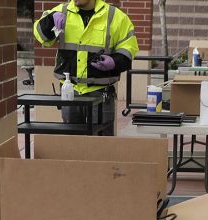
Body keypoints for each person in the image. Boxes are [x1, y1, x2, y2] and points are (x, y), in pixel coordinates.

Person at [33, 0, 139, 136]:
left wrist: (115, 61)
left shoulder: (114, 16)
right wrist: (51, 18)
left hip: (101, 93)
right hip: (71, 91)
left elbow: (129, 48)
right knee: (72, 142)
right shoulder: (62, 10)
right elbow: (40, 35)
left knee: (102, 143)